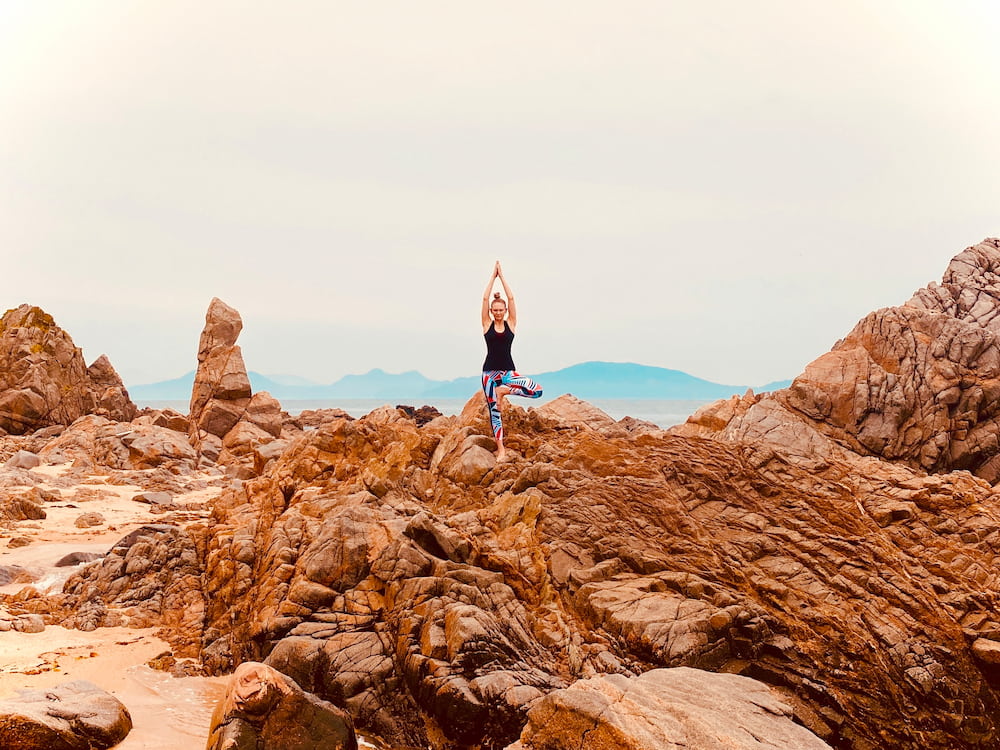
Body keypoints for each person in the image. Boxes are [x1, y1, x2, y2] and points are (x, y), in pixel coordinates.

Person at [481, 261, 543, 461]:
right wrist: (492, 277)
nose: (498, 313)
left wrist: (502, 277)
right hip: (489, 374)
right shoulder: (487, 324)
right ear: (492, 311)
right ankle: (501, 450)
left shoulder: (511, 324)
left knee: (536, 390)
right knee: (495, 412)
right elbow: (484, 298)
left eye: (501, 310)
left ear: (505, 311)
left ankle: (504, 391)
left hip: (508, 373)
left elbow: (512, 297)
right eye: (495, 310)